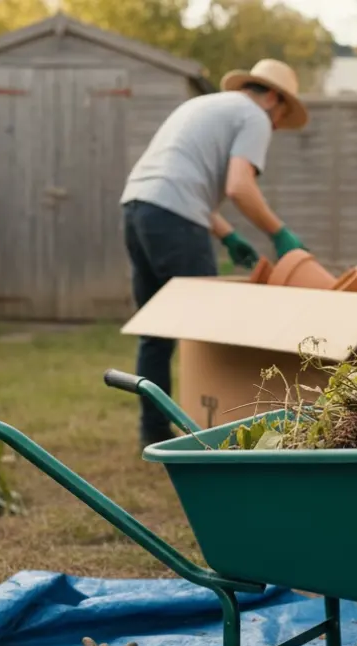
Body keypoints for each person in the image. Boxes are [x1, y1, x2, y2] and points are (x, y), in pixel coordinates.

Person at [119, 59, 310, 447]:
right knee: (208, 333)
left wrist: (228, 237)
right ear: (272, 98)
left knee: (155, 334)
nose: (273, 127)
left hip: (138, 209)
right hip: (175, 217)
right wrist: (280, 234)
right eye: (279, 118)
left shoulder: (203, 106)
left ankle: (152, 433)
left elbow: (180, 185)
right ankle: (210, 436)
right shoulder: (254, 116)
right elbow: (239, 187)